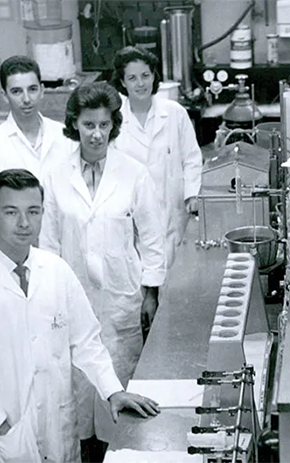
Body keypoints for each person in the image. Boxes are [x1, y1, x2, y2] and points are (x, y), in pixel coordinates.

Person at [38, 82, 166, 462]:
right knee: (78, 396)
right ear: (74, 124)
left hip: (121, 301)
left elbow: (152, 238)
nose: (97, 134)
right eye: (88, 125)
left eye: (104, 125)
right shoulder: (55, 175)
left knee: (121, 395)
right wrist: (48, 300)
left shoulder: (133, 173)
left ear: (114, 126)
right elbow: (47, 244)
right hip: (70, 298)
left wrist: (151, 292)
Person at [0, 168, 159, 463]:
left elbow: (87, 342)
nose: (24, 223)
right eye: (11, 212)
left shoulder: (56, 270)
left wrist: (113, 390)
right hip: (7, 436)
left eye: (33, 211)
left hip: (58, 431)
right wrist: (3, 426)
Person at [111, 46, 202, 271]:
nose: (140, 83)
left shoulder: (174, 113)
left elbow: (191, 157)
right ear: (122, 82)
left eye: (145, 75)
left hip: (173, 215)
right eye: (132, 78)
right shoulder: (114, 120)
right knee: (138, 275)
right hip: (131, 219)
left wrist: (192, 194)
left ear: (154, 76)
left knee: (175, 275)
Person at [0, 56, 71, 178]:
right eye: (16, 91)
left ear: (42, 90)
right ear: (5, 96)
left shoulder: (63, 135)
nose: (26, 99)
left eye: (32, 89)